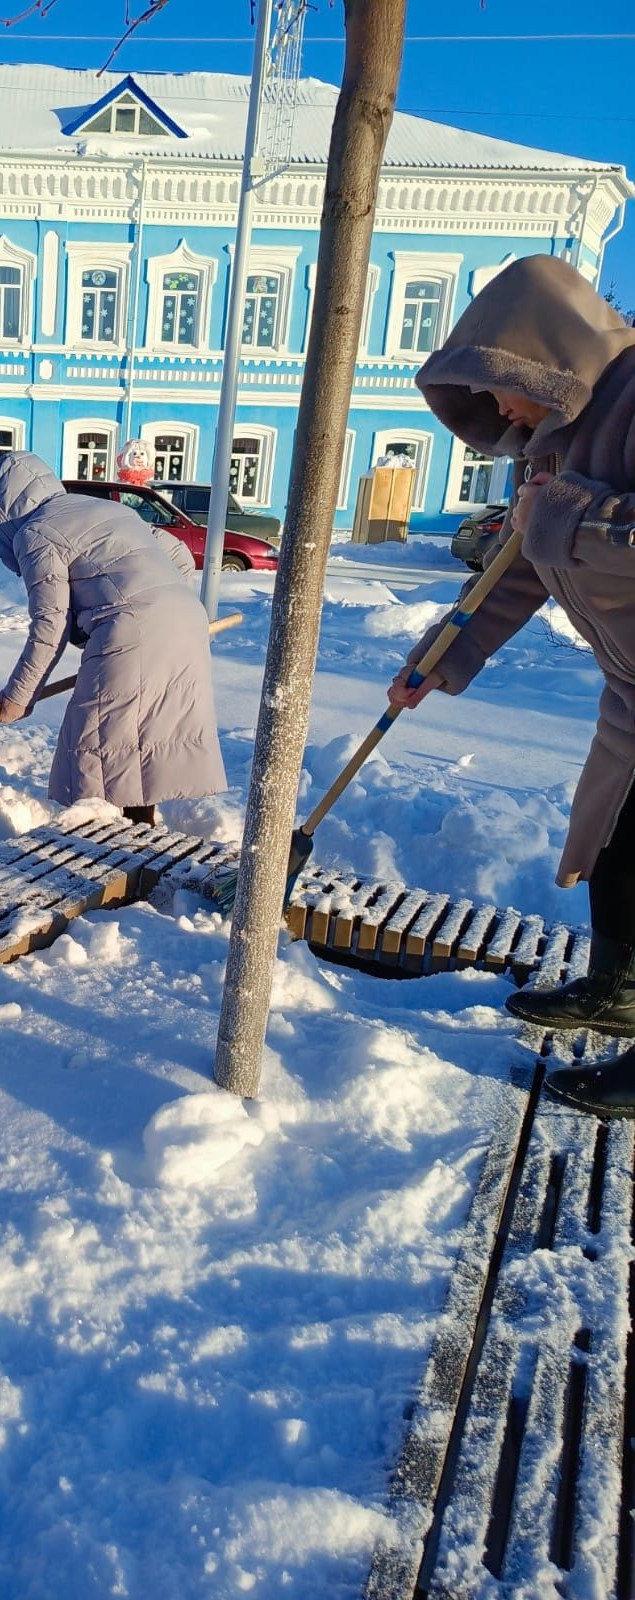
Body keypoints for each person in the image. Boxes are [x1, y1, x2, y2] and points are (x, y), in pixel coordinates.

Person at [386, 253, 635, 1115]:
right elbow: (516, 573)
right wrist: (439, 657)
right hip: (631, 688)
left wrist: (564, 514)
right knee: (617, 844)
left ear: (550, 362)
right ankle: (620, 990)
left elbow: (575, 529)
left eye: (502, 388)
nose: (498, 412)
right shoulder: (556, 441)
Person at [0, 451, 226, 828]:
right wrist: (161, 603)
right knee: (139, 751)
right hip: (188, 623)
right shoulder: (109, 511)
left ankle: (111, 860)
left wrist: (18, 696)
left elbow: (49, 626)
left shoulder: (36, 532)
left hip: (131, 635)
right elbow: (178, 555)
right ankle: (140, 849)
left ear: (1, 521)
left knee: (99, 757)